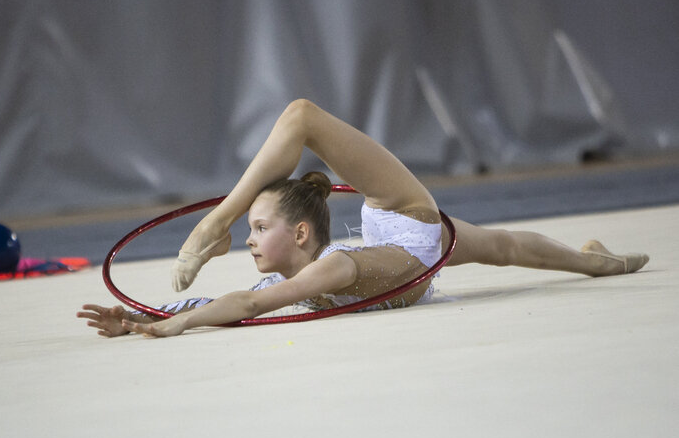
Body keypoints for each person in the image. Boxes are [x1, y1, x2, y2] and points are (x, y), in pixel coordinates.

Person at [77, 99, 649, 338]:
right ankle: (592, 260)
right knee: (503, 246)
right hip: (410, 259)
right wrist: (139, 317)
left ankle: (214, 219)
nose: (250, 244)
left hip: (406, 221)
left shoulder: (328, 272)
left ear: (300, 233)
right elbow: (221, 302)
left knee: (301, 116)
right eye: (248, 229)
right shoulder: (298, 276)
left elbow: (245, 307)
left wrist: (171, 325)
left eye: (257, 228)